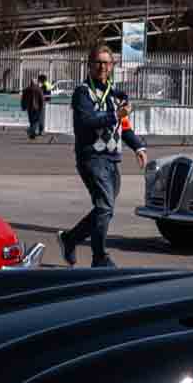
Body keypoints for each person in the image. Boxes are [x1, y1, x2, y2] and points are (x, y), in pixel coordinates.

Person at [58, 46, 146, 268]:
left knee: (103, 209)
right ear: (89, 65)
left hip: (113, 159)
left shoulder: (116, 95)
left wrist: (138, 147)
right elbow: (86, 122)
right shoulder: (83, 92)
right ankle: (100, 258)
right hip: (91, 157)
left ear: (113, 66)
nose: (103, 67)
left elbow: (124, 127)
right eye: (98, 62)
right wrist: (115, 114)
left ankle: (70, 239)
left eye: (107, 63)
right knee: (105, 207)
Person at [21, 73, 46, 140]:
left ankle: (32, 134)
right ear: (35, 82)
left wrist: (23, 106)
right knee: (36, 121)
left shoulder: (26, 89)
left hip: (29, 107)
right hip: (37, 108)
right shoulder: (39, 89)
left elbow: (23, 99)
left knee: (32, 121)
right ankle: (30, 131)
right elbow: (42, 99)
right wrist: (42, 107)